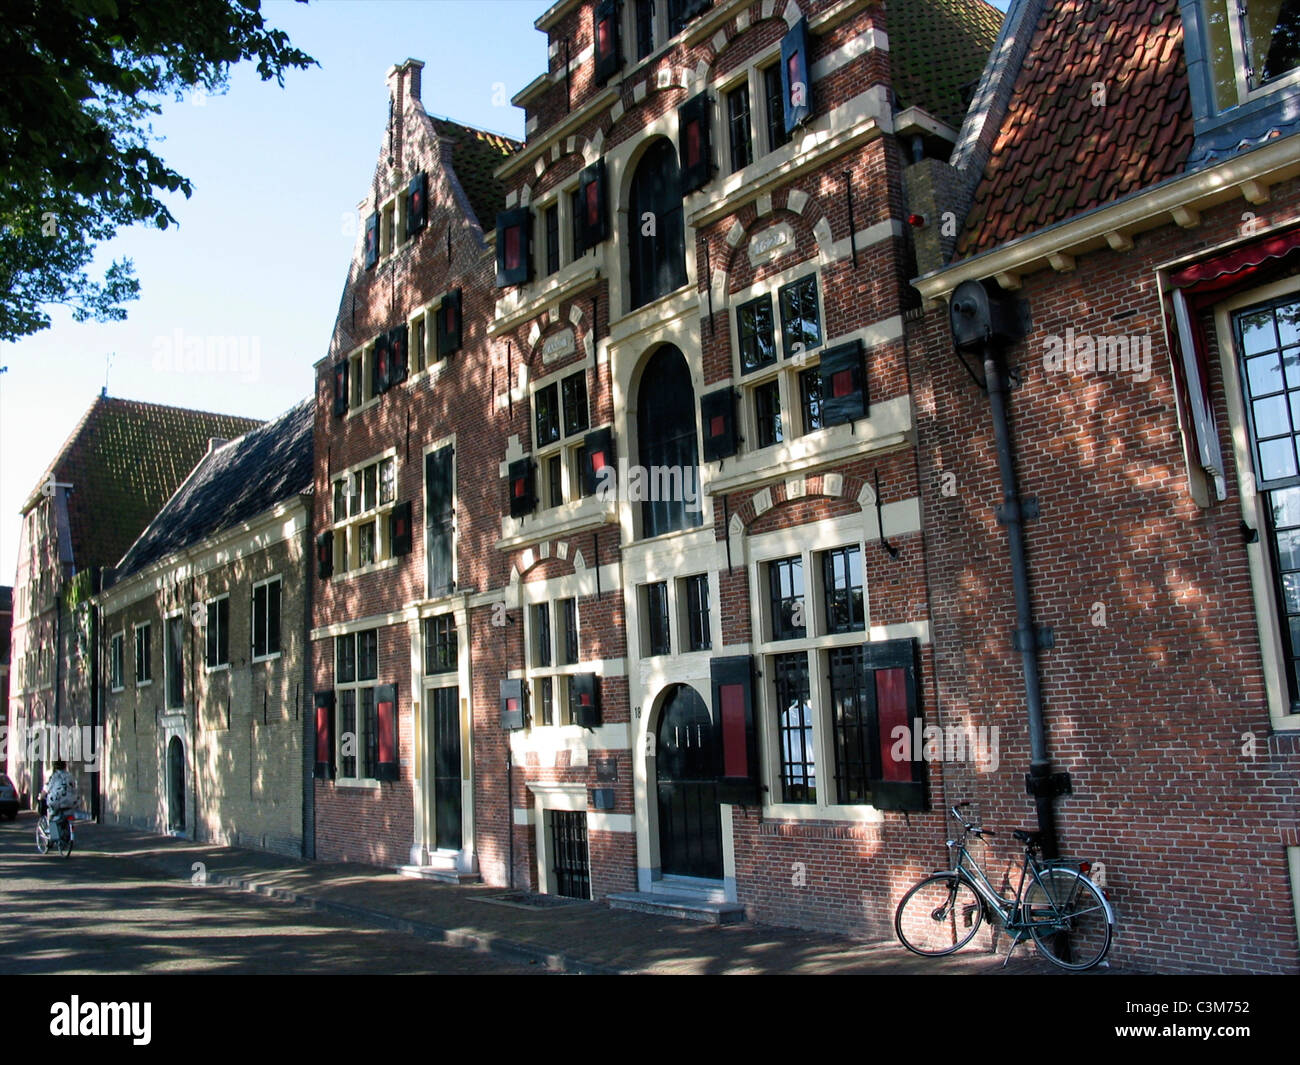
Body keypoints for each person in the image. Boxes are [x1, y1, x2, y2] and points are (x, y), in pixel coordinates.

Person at [41, 761, 77, 843]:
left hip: (57, 801)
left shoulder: (54, 776)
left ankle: (53, 836)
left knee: (52, 816)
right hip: (70, 801)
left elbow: (46, 788)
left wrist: (41, 796)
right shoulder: (70, 776)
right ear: (65, 766)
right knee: (68, 814)